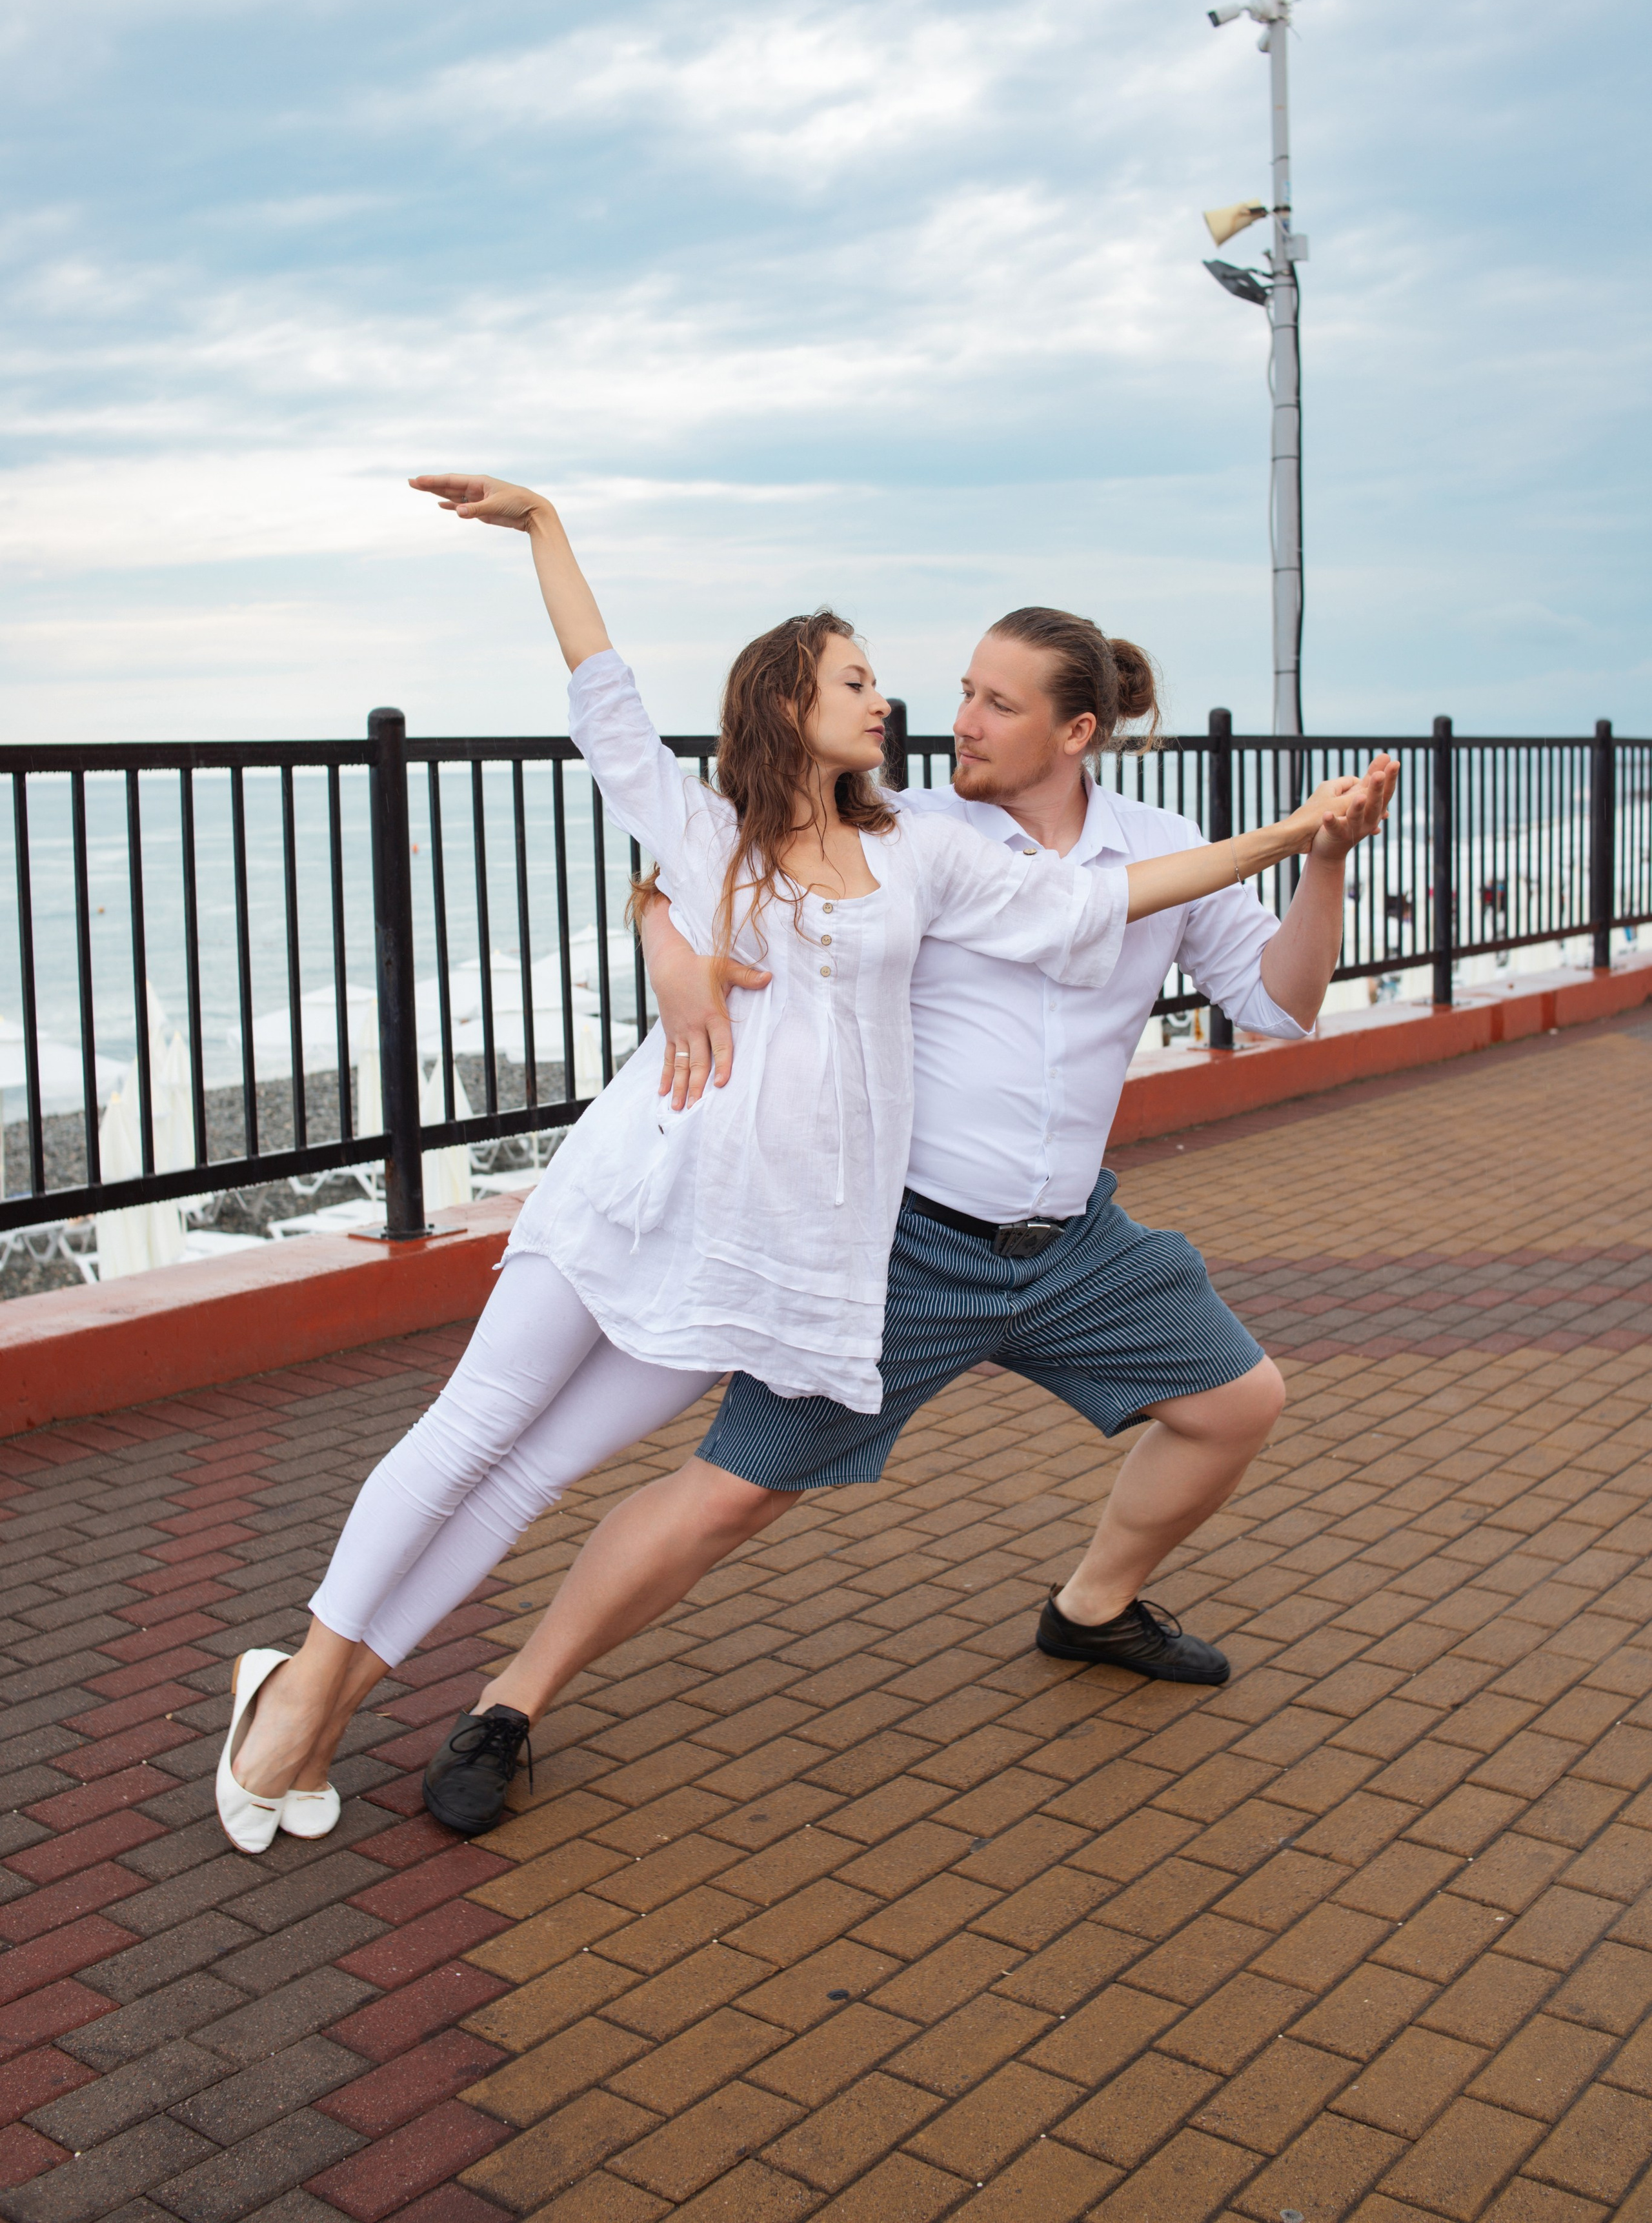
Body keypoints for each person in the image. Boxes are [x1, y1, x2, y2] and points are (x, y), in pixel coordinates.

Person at [214, 485, 1382, 1854]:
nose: (931, 713)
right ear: (790, 704)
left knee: (1235, 1399)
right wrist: (548, 541)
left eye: (980, 698)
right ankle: (397, 1703)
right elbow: (626, 751)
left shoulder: (932, 853)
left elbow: (1149, 935)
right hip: (766, 1216)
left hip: (929, 1240)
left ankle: (1089, 1609)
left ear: (1074, 728)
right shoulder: (817, 833)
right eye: (885, 682)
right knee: (568, 1461)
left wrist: (1310, 849)